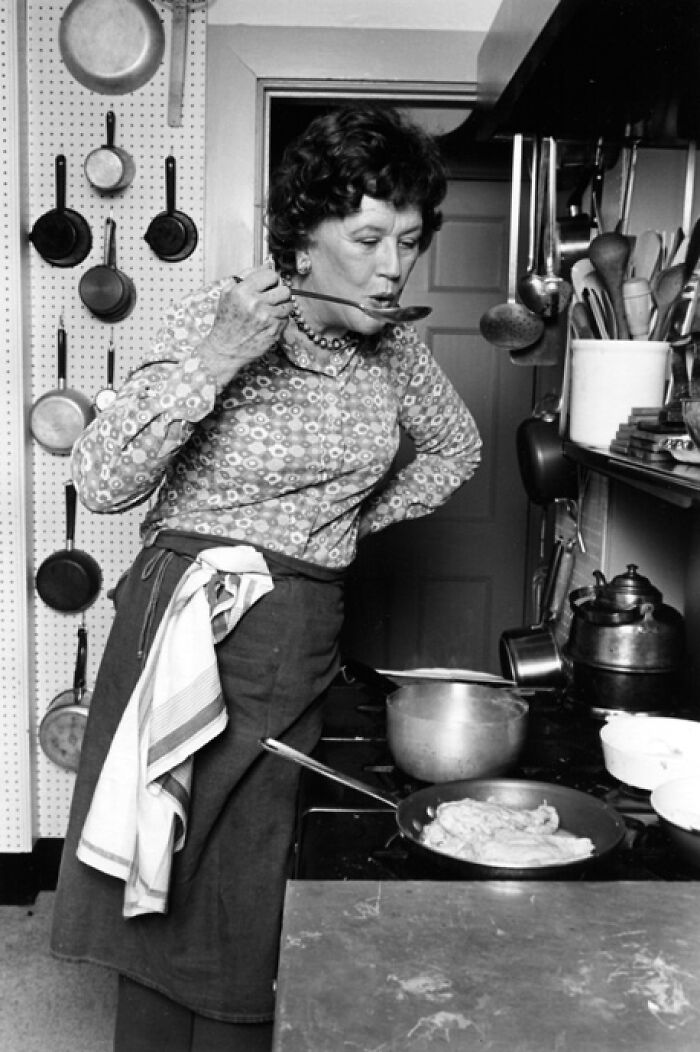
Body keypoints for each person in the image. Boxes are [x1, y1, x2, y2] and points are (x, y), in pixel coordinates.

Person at [50, 104, 482, 1052]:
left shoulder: (395, 350)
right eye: (367, 237)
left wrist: (338, 526)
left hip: (295, 635)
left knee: (248, 878)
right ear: (302, 238)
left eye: (409, 240)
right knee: (160, 866)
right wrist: (217, 358)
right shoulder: (224, 316)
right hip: (179, 627)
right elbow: (103, 480)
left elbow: (458, 448)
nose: (393, 266)